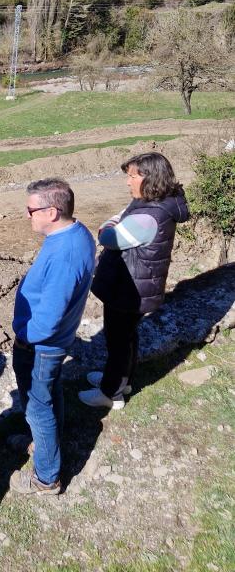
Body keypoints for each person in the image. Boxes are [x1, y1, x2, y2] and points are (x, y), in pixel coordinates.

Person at [79, 152, 189, 409]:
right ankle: (121, 381)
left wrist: (107, 225)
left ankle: (110, 394)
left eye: (132, 176)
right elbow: (120, 219)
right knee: (126, 337)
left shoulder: (147, 216)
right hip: (138, 287)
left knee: (117, 341)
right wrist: (115, 222)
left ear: (149, 178)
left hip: (129, 290)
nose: (127, 182)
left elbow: (108, 237)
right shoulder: (157, 204)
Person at [9, 178, 95, 496]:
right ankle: (47, 443)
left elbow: (49, 317)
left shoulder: (65, 254)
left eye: (31, 209)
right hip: (53, 342)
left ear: (53, 211)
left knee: (37, 406)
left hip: (42, 344)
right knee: (50, 393)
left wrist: (23, 336)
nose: (27, 214)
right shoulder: (72, 233)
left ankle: (46, 477)